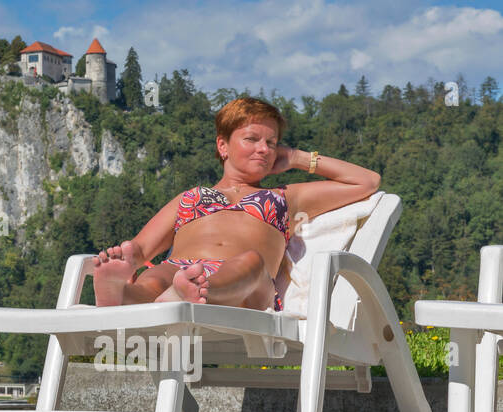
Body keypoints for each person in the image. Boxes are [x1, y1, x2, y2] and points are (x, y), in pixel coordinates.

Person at [91, 97, 380, 309]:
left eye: (272, 142)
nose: (264, 149)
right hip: (181, 271)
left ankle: (197, 292)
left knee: (251, 261)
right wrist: (128, 258)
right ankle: (121, 296)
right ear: (222, 146)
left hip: (249, 289)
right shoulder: (191, 197)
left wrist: (296, 158)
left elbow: (366, 182)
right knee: (156, 275)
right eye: (252, 139)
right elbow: (142, 248)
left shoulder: (285, 197)